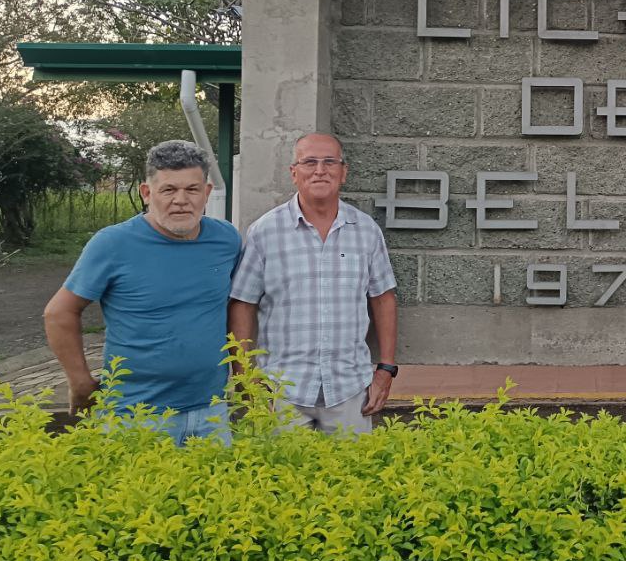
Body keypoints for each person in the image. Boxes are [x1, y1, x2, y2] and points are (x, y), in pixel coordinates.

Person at [43, 140, 239, 444]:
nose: (181, 200)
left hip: (210, 412)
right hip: (137, 415)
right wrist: (80, 382)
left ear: (207, 193)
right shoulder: (112, 244)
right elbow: (59, 312)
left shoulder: (226, 240)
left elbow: (239, 307)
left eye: (192, 189)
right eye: (169, 190)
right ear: (147, 193)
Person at [227, 132, 398, 434]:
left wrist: (385, 369)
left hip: (350, 389)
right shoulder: (265, 232)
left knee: (354, 477)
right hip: (281, 390)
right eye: (309, 162)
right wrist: (245, 377)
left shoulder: (366, 231)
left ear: (343, 172)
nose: (320, 170)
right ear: (294, 173)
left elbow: (383, 299)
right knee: (281, 478)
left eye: (330, 162)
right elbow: (242, 304)